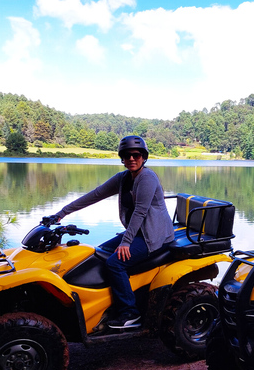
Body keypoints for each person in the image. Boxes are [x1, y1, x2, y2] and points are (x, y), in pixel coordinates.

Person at [52, 135, 174, 329]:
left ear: (144, 157)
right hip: (138, 232)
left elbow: (141, 212)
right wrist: (61, 213)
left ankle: (130, 313)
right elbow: (95, 195)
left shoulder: (147, 178)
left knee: (115, 263)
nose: (132, 159)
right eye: (127, 155)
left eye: (136, 154)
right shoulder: (123, 179)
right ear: (122, 158)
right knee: (97, 253)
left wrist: (126, 242)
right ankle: (107, 305)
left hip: (154, 236)